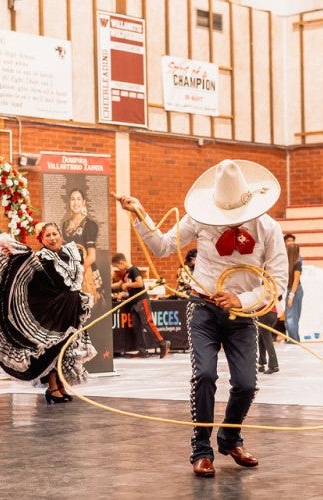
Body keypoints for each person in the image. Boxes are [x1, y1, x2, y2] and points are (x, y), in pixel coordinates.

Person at [115, 158, 288, 478]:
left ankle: (230, 437)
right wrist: (140, 216)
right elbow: (163, 246)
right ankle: (201, 449)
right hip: (204, 309)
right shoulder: (202, 219)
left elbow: (278, 283)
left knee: (247, 384)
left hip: (243, 315)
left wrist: (242, 299)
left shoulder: (268, 228)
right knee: (205, 375)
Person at [0, 222, 95, 404]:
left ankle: (61, 385)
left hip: (71, 309)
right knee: (53, 348)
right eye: (48, 236)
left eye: (55, 234)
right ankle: (52, 388)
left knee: (68, 348)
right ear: (42, 240)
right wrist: (13, 256)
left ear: (60, 235)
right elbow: (32, 273)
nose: (52, 238)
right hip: (53, 311)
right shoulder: (42, 258)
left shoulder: (72, 253)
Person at [111, 252, 171, 358]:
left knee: (147, 323)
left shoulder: (134, 270)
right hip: (133, 303)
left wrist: (128, 284)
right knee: (137, 327)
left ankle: (163, 343)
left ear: (121, 262)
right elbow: (119, 285)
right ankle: (142, 350)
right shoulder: (126, 274)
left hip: (141, 300)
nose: (118, 269)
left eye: (117, 266)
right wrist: (106, 285)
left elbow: (140, 283)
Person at [61, 188, 102, 302]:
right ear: (69, 202)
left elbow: (92, 256)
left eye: (79, 199)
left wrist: (77, 273)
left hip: (86, 271)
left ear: (84, 202)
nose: (75, 202)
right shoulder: (65, 225)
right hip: (71, 270)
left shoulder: (89, 225)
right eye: (72, 199)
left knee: (87, 307)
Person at [284, 243, 303, 342]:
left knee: (292, 318)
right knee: (289, 318)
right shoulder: (287, 263)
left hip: (295, 291)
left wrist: (291, 295)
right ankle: (293, 339)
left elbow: (296, 280)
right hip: (289, 290)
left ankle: (294, 340)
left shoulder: (297, 263)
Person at [257, 306, 279, 375]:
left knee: (267, 339)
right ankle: (261, 364)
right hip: (273, 314)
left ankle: (273, 365)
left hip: (264, 314)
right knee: (261, 338)